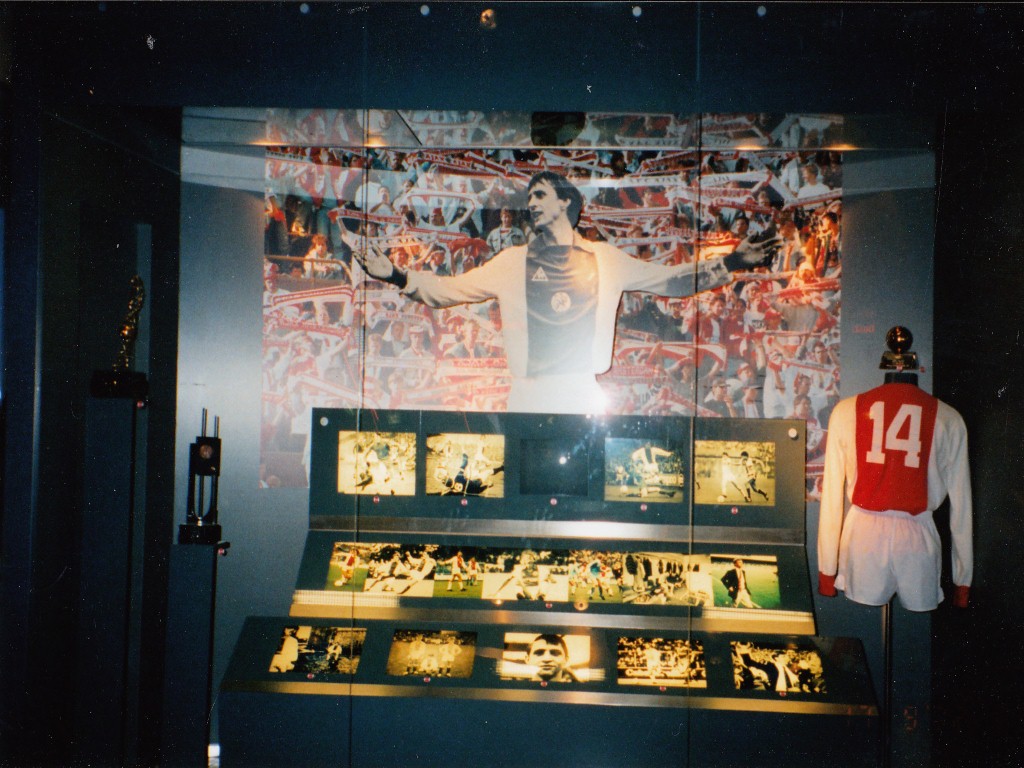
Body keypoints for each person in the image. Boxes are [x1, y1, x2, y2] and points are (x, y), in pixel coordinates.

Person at [354, 171, 777, 413]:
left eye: (540, 195)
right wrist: (397, 276)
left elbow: (672, 281)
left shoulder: (604, 258)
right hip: (527, 396)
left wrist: (732, 263)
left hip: (582, 396)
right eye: (529, 197)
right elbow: (450, 290)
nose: (531, 203)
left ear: (565, 204)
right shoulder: (512, 261)